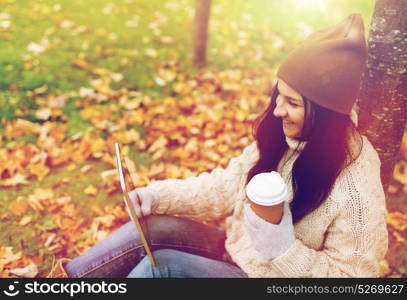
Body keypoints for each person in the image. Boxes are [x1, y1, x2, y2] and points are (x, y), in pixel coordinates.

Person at [50, 13, 388, 278]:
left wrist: (282, 250)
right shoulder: (283, 137)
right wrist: (156, 197)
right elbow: (225, 187)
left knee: (163, 269)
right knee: (150, 230)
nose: (277, 110)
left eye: (292, 103)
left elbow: (353, 280)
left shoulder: (355, 187)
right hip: (237, 252)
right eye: (278, 96)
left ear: (326, 113)